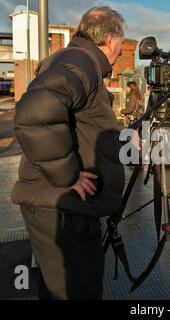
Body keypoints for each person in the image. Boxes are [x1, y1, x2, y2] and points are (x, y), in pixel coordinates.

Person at [11, 6, 126, 299]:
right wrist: (68, 176)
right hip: (63, 208)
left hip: (56, 205)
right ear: (110, 39)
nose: (119, 52)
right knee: (77, 291)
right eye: (120, 45)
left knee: (58, 289)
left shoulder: (67, 58)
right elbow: (35, 111)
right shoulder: (81, 61)